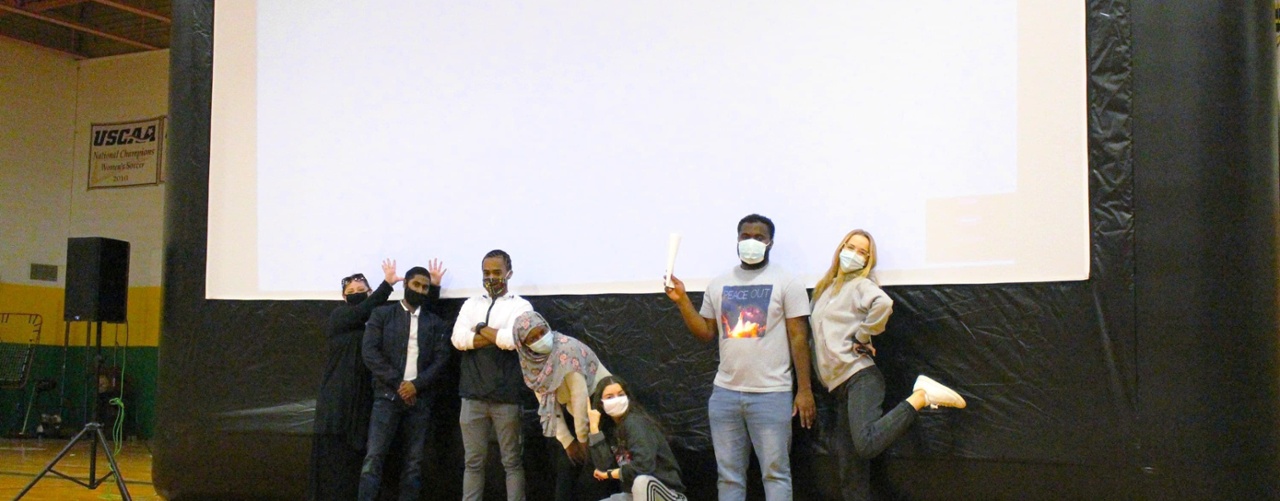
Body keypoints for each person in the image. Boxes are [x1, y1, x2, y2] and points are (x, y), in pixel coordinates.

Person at [663, 213, 815, 501]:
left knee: (776, 474)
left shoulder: (787, 282)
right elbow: (706, 332)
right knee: (729, 477)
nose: (751, 242)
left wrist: (804, 390)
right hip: (725, 395)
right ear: (737, 240)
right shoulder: (719, 283)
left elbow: (799, 337)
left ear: (770, 242)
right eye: (745, 236)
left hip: (772, 393)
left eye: (759, 237)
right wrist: (682, 301)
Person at [808, 229, 966, 501]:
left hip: (860, 378)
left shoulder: (861, 285)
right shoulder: (825, 289)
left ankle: (920, 397)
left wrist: (863, 334)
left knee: (866, 444)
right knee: (851, 474)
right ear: (841, 247)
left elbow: (884, 303)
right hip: (839, 387)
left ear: (869, 261)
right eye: (851, 247)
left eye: (863, 253)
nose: (854, 255)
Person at [309, 259, 410, 501]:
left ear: (369, 293)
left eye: (360, 291)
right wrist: (387, 285)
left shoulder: (378, 323)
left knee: (366, 456)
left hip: (368, 397)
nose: (355, 295)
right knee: (337, 457)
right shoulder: (340, 317)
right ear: (344, 298)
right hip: (338, 397)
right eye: (350, 292)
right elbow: (362, 311)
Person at [359, 265, 452, 501]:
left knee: (414, 463)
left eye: (425, 287)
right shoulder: (382, 314)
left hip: (420, 400)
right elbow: (370, 353)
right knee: (374, 458)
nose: (420, 290)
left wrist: (416, 386)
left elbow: (442, 360)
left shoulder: (434, 322)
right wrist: (400, 384)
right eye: (416, 285)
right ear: (405, 285)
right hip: (386, 397)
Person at [452, 250, 534, 501]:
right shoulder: (470, 304)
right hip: (472, 396)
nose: (491, 277)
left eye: (496, 272)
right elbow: (458, 339)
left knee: (511, 463)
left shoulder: (521, 306)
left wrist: (478, 328)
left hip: (507, 396)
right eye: (486, 273)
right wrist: (492, 335)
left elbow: (511, 341)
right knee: (473, 463)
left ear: (509, 273)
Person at [514, 311, 613, 501]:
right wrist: (568, 441)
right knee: (566, 467)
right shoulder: (530, 364)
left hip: (597, 404)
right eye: (532, 338)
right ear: (524, 346)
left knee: (594, 468)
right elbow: (546, 401)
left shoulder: (567, 350)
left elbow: (580, 395)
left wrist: (583, 439)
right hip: (569, 409)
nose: (540, 339)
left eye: (542, 333)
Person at [587, 375, 688, 501]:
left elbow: (643, 467)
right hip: (633, 496)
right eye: (609, 397)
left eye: (620, 394)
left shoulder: (636, 423)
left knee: (641, 482)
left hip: (666, 494)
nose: (616, 399)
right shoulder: (611, 429)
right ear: (601, 404)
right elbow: (604, 467)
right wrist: (594, 428)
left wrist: (610, 474)